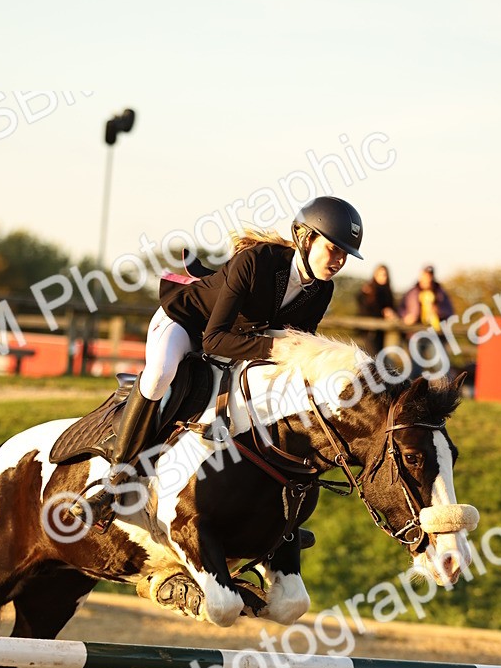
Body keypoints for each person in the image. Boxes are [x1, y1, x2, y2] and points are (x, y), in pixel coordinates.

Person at [75, 195, 365, 529]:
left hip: (239, 341)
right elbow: (214, 339)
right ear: (306, 238)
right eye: (334, 249)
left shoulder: (322, 290)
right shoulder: (256, 261)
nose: (339, 260)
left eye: (346, 254)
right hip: (186, 324)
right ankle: (113, 482)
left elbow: (295, 348)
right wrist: (276, 348)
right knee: (159, 375)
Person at [400, 265, 455, 376]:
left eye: (429, 276)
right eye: (425, 276)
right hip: (415, 334)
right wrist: (406, 317)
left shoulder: (440, 293)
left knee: (441, 364)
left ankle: (450, 385)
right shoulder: (412, 292)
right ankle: (414, 386)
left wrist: (438, 311)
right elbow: (401, 309)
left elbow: (449, 311)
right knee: (415, 367)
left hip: (434, 334)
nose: (427, 279)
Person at [357, 264, 398, 354]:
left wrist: (391, 313)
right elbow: (365, 310)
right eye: (381, 275)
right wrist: (382, 312)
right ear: (375, 275)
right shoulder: (369, 290)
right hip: (369, 330)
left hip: (381, 331)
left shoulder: (387, 291)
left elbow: (390, 307)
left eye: (385, 275)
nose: (383, 277)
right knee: (371, 355)